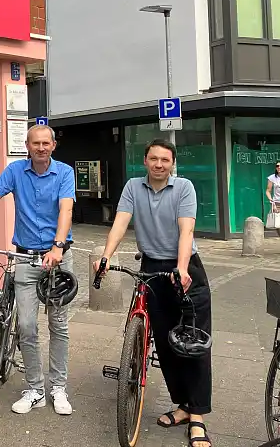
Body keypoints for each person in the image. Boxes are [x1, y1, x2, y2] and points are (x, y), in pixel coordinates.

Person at [96, 139, 212, 447]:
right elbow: (121, 223)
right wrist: (106, 256)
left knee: (192, 341)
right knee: (164, 342)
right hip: (151, 267)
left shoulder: (184, 188)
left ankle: (197, 416)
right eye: (153, 159)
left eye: (165, 159)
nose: (159, 164)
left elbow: (186, 229)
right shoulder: (133, 187)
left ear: (173, 164)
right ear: (145, 161)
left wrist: (182, 268)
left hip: (185, 269)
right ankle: (183, 406)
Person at [0, 124, 76, 416]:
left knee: (58, 325)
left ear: (53, 145)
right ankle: (35, 388)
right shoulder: (14, 171)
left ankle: (58, 388)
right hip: (25, 257)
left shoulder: (64, 173)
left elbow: (66, 210)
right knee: (26, 325)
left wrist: (58, 246)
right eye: (35, 143)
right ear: (27, 145)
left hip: (58, 258)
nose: (40, 147)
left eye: (45, 143)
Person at [266, 162, 280, 237]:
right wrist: (271, 200)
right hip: (277, 203)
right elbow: (268, 191)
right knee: (278, 224)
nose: (279, 167)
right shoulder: (272, 178)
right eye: (277, 166)